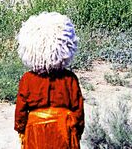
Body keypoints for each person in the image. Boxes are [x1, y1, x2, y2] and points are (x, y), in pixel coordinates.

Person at [14, 12, 84, 149]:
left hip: (36, 133)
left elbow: (21, 111)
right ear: (66, 46)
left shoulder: (28, 79)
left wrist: (21, 129)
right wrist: (77, 132)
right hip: (64, 131)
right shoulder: (69, 79)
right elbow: (78, 110)